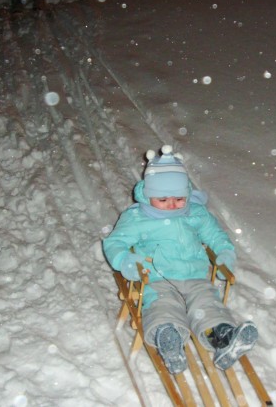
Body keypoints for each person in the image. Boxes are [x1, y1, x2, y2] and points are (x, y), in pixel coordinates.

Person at [103, 145, 258, 374]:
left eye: (179, 198)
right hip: (158, 278)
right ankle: (169, 338)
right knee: (163, 305)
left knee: (207, 304)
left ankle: (222, 337)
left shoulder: (196, 213)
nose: (172, 204)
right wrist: (125, 260)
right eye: (163, 199)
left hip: (195, 276)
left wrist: (224, 251)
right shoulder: (137, 218)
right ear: (149, 194)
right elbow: (114, 242)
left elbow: (215, 234)